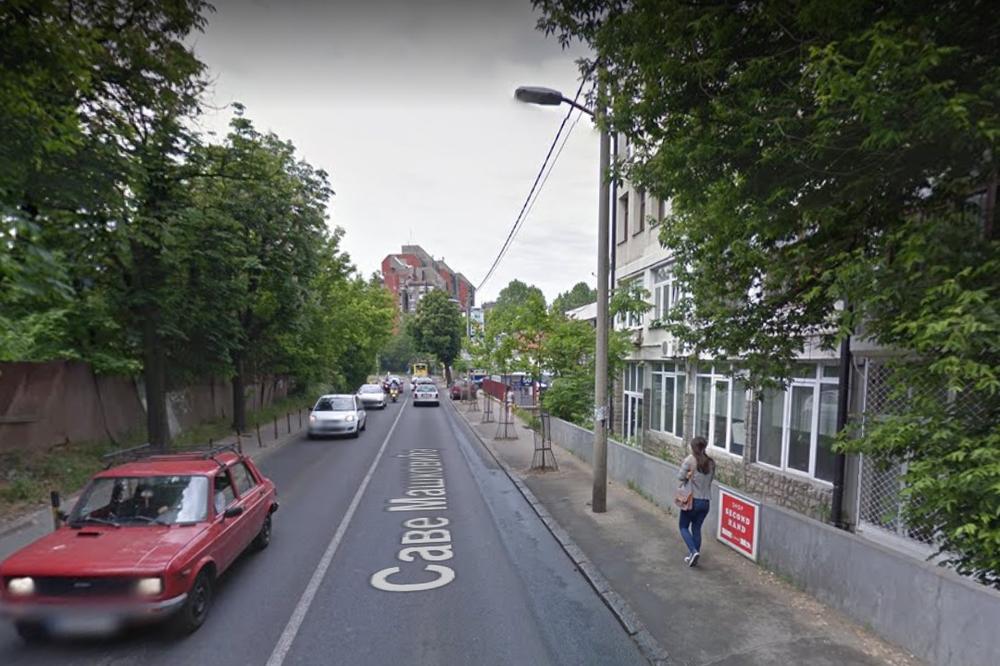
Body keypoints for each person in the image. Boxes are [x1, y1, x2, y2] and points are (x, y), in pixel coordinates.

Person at [677, 436, 715, 567]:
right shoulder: (711, 462)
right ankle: (694, 556)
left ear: (693, 448)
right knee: (696, 528)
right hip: (706, 502)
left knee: (683, 526)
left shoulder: (690, 460)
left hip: (692, 501)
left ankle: (693, 552)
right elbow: (710, 480)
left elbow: (680, 477)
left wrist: (688, 476)